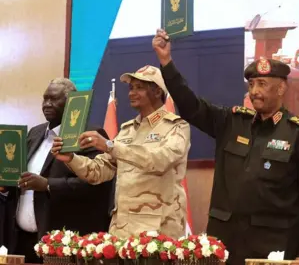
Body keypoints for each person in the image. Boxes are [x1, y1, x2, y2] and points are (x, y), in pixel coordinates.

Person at [152, 29, 299, 264]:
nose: (254, 91)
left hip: (272, 248)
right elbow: (191, 106)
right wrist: (166, 63)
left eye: (262, 84)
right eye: (252, 84)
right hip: (225, 244)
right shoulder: (232, 122)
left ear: (281, 88)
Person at [51, 65, 191, 240]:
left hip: (158, 230)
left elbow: (160, 160)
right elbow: (99, 171)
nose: (132, 93)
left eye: (139, 87)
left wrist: (110, 146)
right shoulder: (127, 130)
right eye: (131, 88)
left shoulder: (176, 126)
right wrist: (71, 158)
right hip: (122, 228)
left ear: (157, 92)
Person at [2, 78, 112, 263]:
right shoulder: (33, 134)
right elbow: (19, 178)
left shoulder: (90, 135)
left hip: (61, 244)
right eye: (45, 99)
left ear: (72, 101)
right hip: (22, 241)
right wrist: (6, 185)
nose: (47, 104)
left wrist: (48, 185)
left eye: (54, 99)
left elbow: (97, 185)